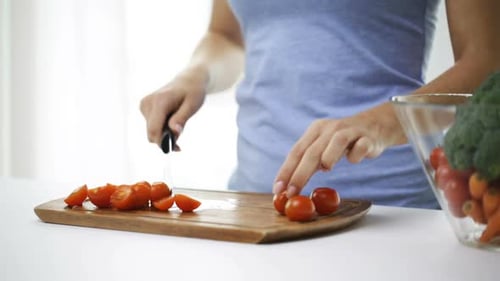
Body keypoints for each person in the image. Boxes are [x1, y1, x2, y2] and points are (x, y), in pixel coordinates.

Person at [140, 0, 500, 209]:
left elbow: (488, 62)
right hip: (254, 204)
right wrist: (195, 75)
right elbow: (227, 37)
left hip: (390, 210)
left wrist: (379, 122)